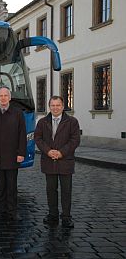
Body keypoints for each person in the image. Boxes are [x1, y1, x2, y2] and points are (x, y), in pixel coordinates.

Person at [34, 96, 80, 228]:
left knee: (66, 190)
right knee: (51, 190)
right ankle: (52, 215)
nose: (55, 108)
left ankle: (66, 217)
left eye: (58, 105)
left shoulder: (72, 122)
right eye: (53, 105)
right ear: (49, 107)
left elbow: (75, 140)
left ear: (63, 106)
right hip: (48, 161)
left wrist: (61, 152)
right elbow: (38, 138)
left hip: (65, 161)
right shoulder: (42, 122)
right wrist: (48, 151)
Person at [0, 87, 26, 221]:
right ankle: (2, 210)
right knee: (1, 187)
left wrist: (21, 153)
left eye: (5, 95)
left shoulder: (18, 113)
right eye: (0, 96)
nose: (3, 98)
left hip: (13, 156)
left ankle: (12, 211)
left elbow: (22, 135)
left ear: (9, 97)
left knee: (12, 186)